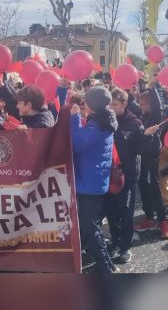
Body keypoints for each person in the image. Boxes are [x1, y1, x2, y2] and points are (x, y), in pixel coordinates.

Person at [70, 86, 118, 273]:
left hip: (89, 184)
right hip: (95, 180)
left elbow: (79, 143)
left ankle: (104, 267)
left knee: (90, 228)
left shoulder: (97, 124)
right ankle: (108, 264)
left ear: (90, 105)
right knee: (93, 225)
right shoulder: (105, 120)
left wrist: (75, 119)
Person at [105, 88, 146, 264]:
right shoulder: (105, 120)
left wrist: (150, 138)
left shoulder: (135, 124)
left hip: (126, 175)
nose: (111, 108)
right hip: (107, 174)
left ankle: (125, 247)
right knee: (111, 211)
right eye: (109, 104)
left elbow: (143, 150)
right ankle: (115, 242)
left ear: (124, 104)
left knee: (126, 211)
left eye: (115, 104)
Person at [135, 88, 168, 239]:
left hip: (152, 158)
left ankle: (163, 221)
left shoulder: (156, 116)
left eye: (143, 104)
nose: (141, 106)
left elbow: (157, 105)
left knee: (155, 189)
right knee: (143, 187)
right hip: (140, 158)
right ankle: (149, 217)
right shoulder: (143, 117)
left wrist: (152, 88)